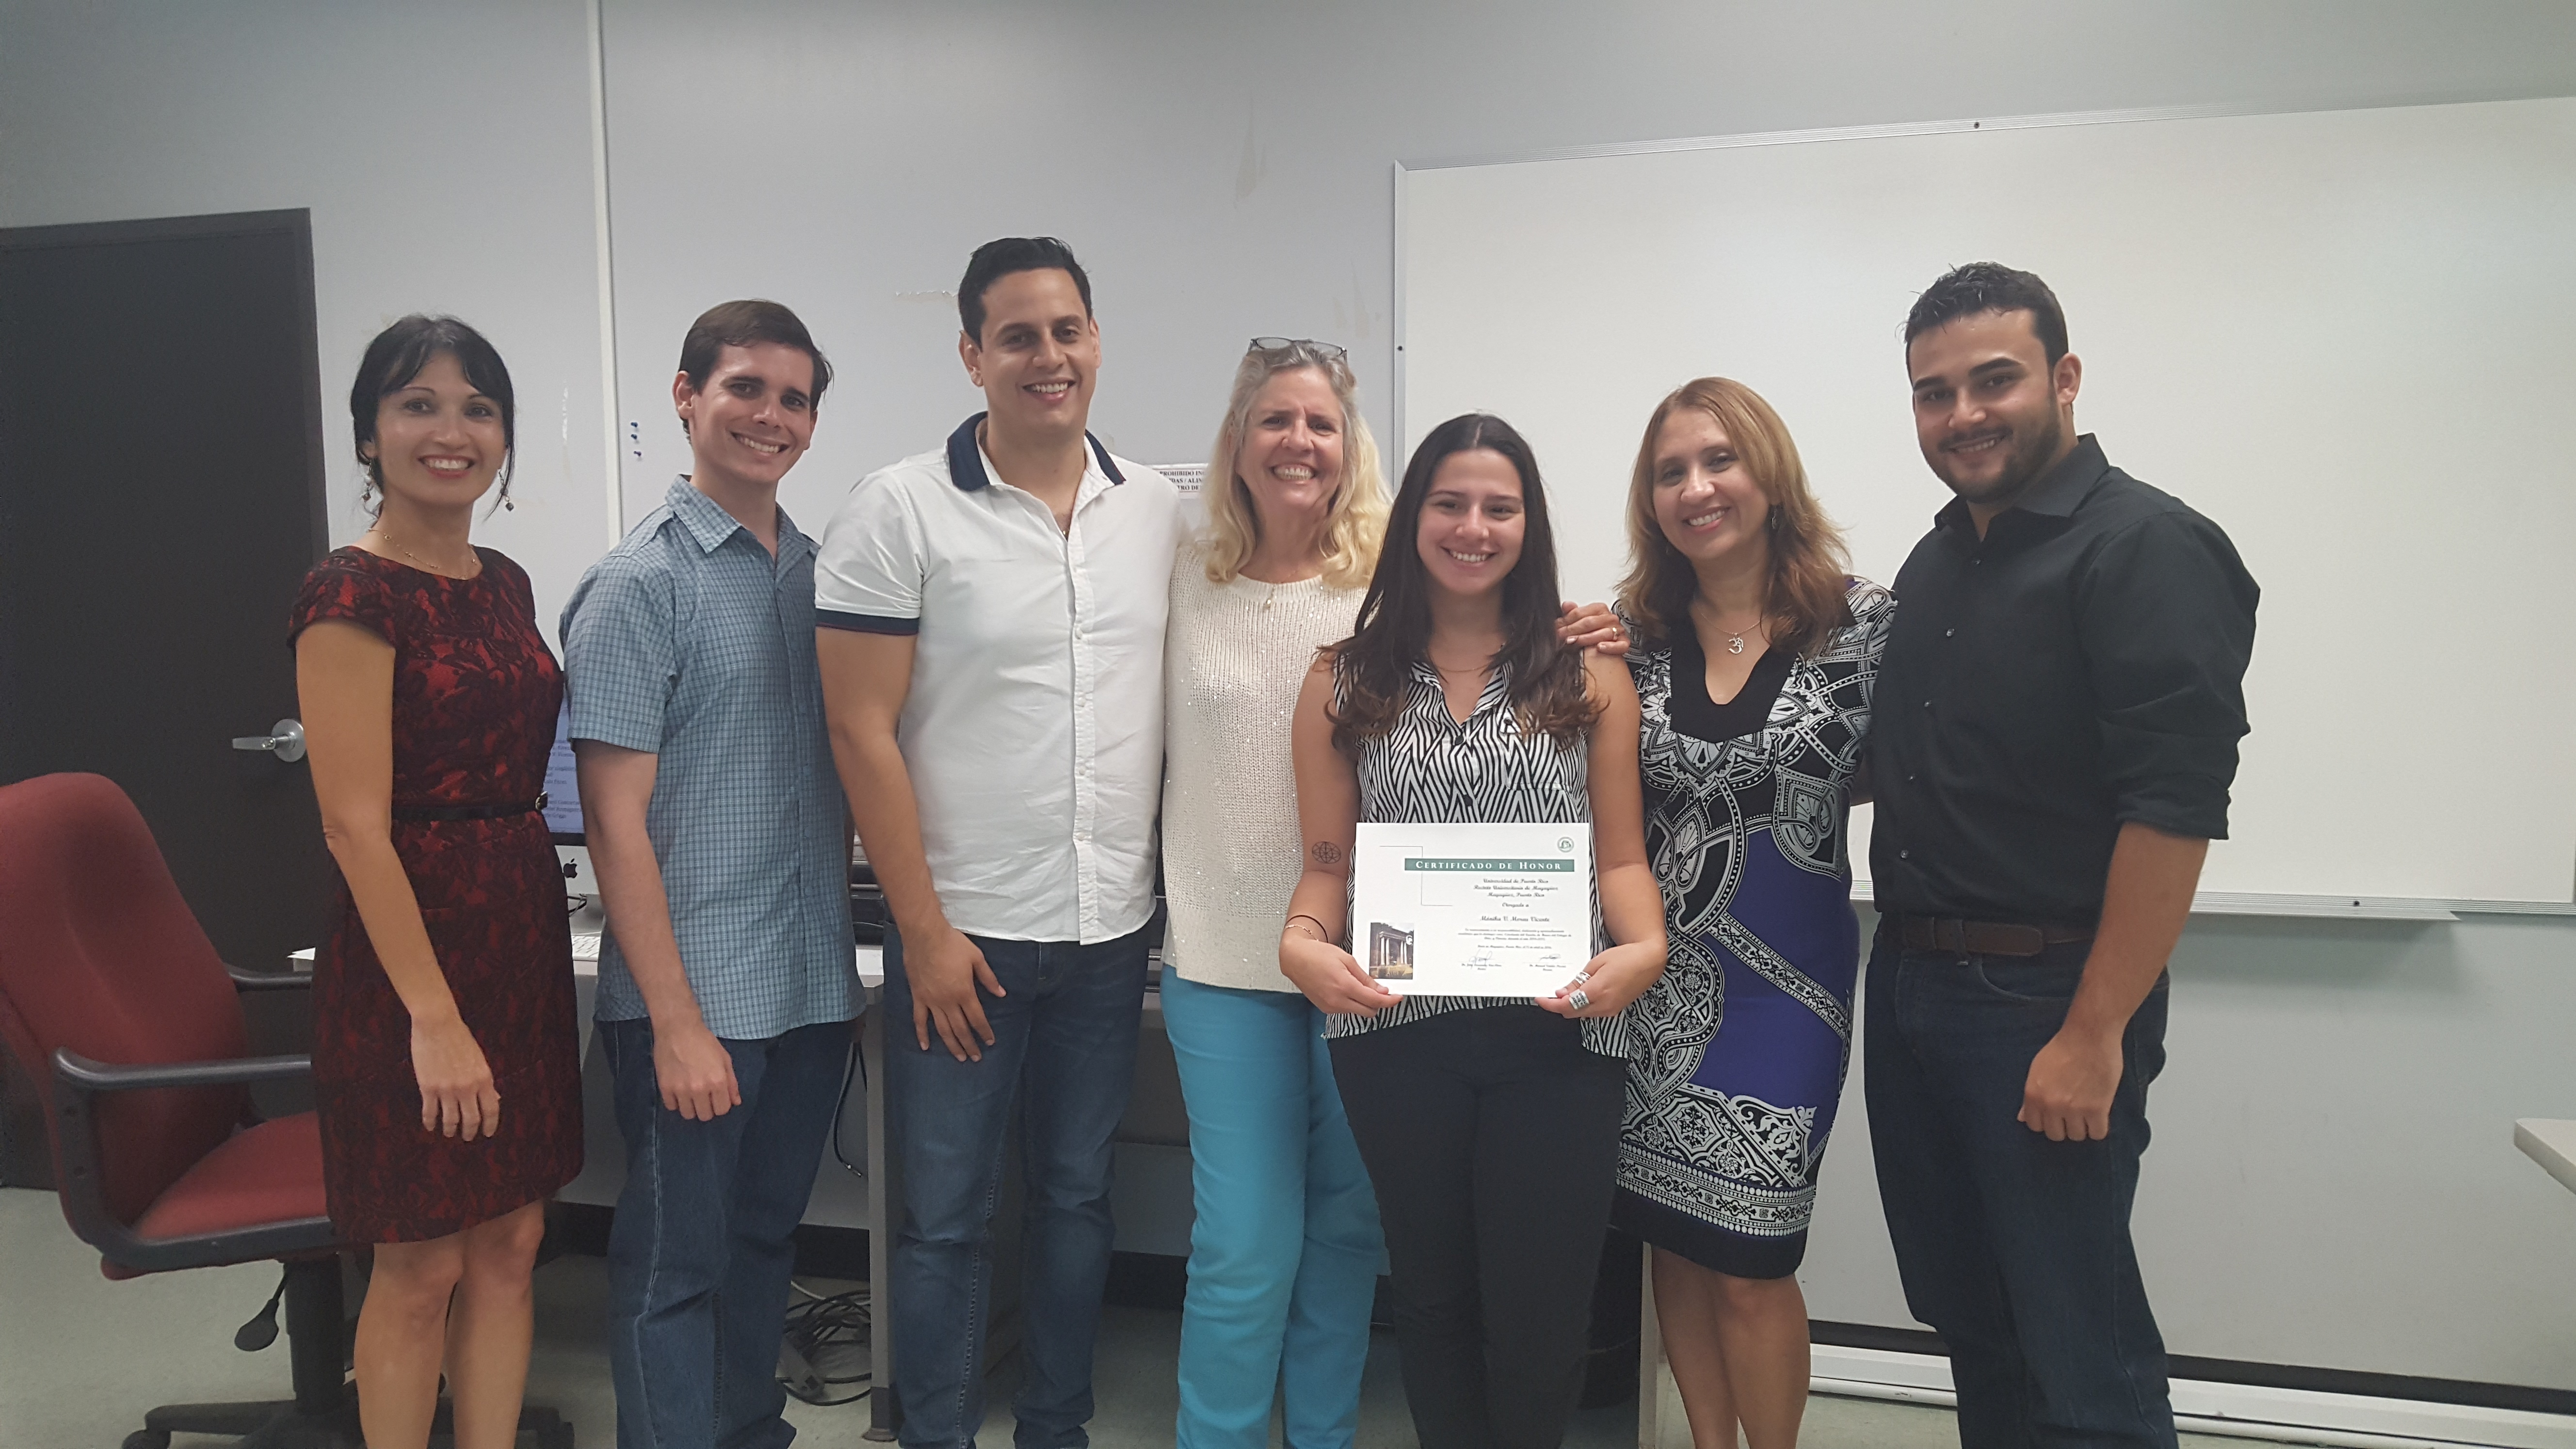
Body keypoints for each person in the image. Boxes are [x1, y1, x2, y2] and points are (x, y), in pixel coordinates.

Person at [1865, 262, 2257, 1448]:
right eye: (1934, 393)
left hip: (2046, 999)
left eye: (1994, 381)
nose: (1963, 415)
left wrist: (2091, 1037)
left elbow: (2174, 809)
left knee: (2077, 1346)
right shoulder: (1938, 563)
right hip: (1916, 987)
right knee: (1974, 1325)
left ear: (2065, 377)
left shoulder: (2146, 548)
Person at [816, 237, 1179, 1449]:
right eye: (1017, 336)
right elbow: (862, 732)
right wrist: (918, 932)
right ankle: (933, 1435)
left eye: (1067, 330)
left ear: (1095, 342)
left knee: (1077, 1200)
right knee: (948, 1219)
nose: (1048, 357)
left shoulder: (1159, 511)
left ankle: (1055, 1427)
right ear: (971, 355)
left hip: (1106, 930)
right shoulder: (899, 508)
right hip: (960, 939)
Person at [1279, 412, 1668, 1449]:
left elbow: (1620, 861)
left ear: (1528, 526)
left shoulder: (1588, 676)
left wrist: (1647, 948)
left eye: (1500, 507)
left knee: (1542, 1316)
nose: (1473, 526)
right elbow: (1325, 870)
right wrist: (1301, 945)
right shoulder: (1342, 679)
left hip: (1560, 1033)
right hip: (1396, 1034)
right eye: (1449, 503)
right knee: (1435, 1301)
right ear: (1412, 519)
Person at [563, 299, 858, 1449]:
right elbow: (612, 824)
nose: (768, 416)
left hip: (809, 988)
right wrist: (675, 1024)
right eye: (743, 388)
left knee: (763, 1244)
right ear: (686, 397)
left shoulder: (824, 579)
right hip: (696, 1004)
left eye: (793, 399)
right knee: (671, 1266)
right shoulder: (641, 584)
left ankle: (751, 1435)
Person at [292, 315, 581, 1449]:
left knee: (511, 1248)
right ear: (368, 433)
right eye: (418, 404)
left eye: (478, 407)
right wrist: (434, 1021)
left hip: (518, 923)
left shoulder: (501, 579)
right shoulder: (347, 596)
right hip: (411, 964)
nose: (451, 431)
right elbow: (354, 828)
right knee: (420, 1264)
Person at [1607, 378, 1894, 1449]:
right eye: (1670, 471)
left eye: (1719, 460)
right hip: (1649, 987)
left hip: (1789, 994)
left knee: (1752, 1262)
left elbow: (1903, 772)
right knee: (1673, 1247)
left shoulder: (1864, 626)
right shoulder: (1625, 637)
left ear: (1768, 473)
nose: (1697, 488)